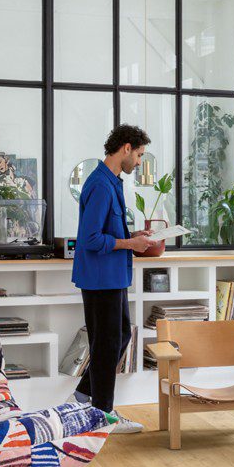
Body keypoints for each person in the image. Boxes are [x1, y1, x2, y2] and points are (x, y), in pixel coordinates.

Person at [72, 124, 155, 433]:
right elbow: (90, 239)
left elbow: (106, 232)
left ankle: (84, 394)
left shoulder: (112, 182)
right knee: (107, 343)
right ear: (126, 148)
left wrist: (131, 236)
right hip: (99, 278)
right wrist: (129, 244)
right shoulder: (100, 185)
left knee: (120, 336)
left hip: (113, 276)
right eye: (139, 155)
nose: (139, 162)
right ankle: (102, 414)